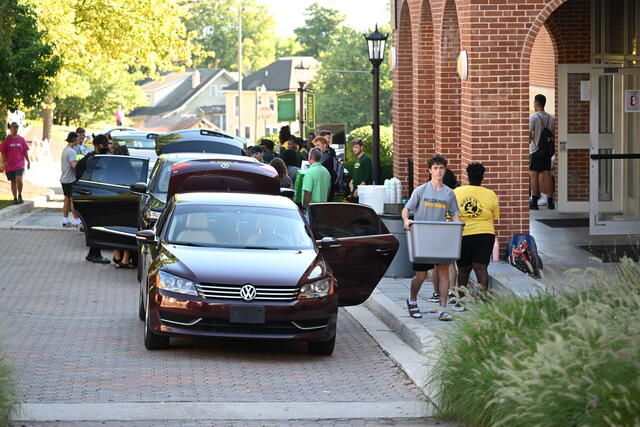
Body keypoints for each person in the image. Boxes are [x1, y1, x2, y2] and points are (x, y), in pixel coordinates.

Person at [402, 155, 460, 321]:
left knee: (443, 274)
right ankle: (412, 300)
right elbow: (406, 209)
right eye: (435, 168)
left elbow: (454, 214)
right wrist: (407, 220)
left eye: (441, 168)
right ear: (430, 171)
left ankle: (442, 309)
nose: (439, 171)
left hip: (441, 238)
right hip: (422, 238)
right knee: (420, 275)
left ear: (445, 169)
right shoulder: (421, 190)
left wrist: (457, 228)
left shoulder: (449, 194)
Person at [454, 163, 500, 300]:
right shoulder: (490, 194)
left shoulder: (457, 192)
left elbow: (449, 214)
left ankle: (460, 301)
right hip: (485, 234)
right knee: (481, 268)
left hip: (464, 234)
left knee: (463, 269)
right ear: (482, 177)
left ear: (467, 176)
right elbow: (495, 215)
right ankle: (483, 300)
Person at [429, 167, 461, 309]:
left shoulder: (438, 193)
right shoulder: (455, 193)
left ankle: (436, 293)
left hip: (438, 230)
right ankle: (451, 291)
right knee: (451, 262)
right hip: (452, 229)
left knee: (436, 264)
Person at [77, 135, 112, 264]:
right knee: (97, 225)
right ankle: (95, 254)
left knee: (97, 226)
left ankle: (93, 254)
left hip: (95, 196)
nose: (107, 147)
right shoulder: (93, 160)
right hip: (94, 197)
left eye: (107, 144)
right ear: (97, 146)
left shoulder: (94, 158)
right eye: (104, 145)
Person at [111, 144, 135, 268]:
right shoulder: (129, 168)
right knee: (127, 230)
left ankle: (117, 259)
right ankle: (126, 259)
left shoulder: (110, 168)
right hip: (127, 202)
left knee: (114, 229)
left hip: (113, 202)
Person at [529, 94, 555, 210]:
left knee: (534, 174)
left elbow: (529, 135)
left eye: (534, 103)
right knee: (547, 174)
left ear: (537, 104)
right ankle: (550, 202)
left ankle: (534, 202)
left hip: (536, 150)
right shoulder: (551, 118)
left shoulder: (533, 118)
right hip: (547, 151)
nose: (533, 105)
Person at [0, 122, 30, 204]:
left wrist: (28, 161)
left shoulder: (21, 140)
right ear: (10, 129)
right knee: (13, 181)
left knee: (19, 180)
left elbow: (25, 151)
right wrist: (3, 161)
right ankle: (15, 198)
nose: (15, 129)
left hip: (20, 164)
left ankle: (20, 194)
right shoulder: (6, 140)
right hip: (9, 165)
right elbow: (2, 152)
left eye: (17, 128)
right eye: (14, 128)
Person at [60, 132, 82, 227]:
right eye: (77, 139)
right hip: (70, 180)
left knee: (67, 200)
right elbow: (74, 165)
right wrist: (81, 162)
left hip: (64, 179)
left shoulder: (65, 150)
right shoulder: (71, 151)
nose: (78, 141)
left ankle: (65, 220)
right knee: (73, 201)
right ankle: (77, 221)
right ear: (73, 140)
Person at [316, 136, 337, 200]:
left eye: (318, 145)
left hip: (327, 186)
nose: (316, 147)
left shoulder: (325, 156)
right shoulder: (326, 154)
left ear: (324, 145)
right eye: (316, 146)